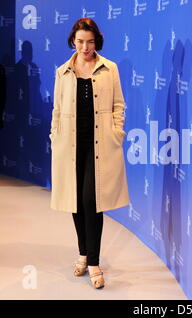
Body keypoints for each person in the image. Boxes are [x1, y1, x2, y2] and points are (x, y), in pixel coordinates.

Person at [49, 18, 130, 289]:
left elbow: (119, 105)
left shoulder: (110, 69)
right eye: (80, 41)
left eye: (90, 41)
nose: (85, 47)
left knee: (90, 201)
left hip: (101, 146)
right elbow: (57, 110)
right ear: (73, 40)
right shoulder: (63, 72)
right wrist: (54, 137)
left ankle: (93, 262)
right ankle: (83, 254)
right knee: (75, 201)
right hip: (70, 146)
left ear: (97, 42)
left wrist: (117, 132)